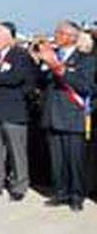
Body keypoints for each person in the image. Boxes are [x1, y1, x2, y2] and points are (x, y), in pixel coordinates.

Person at [35, 20, 95, 212]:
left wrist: (58, 68)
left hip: (72, 115)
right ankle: (61, 192)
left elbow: (86, 87)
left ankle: (77, 195)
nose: (56, 36)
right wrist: (43, 65)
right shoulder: (53, 56)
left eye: (60, 33)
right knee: (57, 159)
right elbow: (42, 83)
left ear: (71, 37)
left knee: (74, 160)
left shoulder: (86, 59)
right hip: (52, 114)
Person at [0, 22, 35, 200]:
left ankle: (19, 185)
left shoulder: (20, 55)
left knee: (16, 151)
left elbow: (16, 78)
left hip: (12, 110)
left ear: (9, 38)